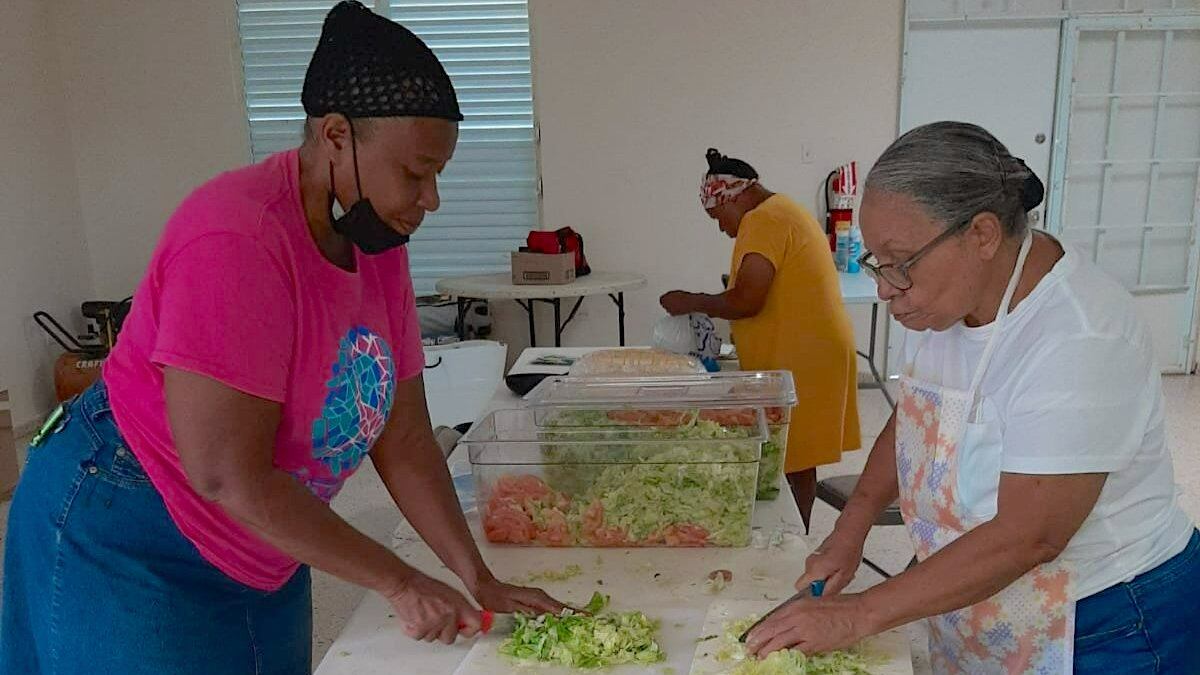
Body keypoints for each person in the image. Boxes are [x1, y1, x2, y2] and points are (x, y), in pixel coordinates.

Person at [0, 4, 563, 673]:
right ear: (335, 136)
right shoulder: (235, 238)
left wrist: (477, 574)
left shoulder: (376, 239)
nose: (431, 198)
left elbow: (407, 440)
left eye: (438, 173)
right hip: (132, 519)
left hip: (265, 531)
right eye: (415, 173)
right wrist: (400, 578)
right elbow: (224, 472)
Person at [744, 121, 1200, 674]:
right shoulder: (948, 303)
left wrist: (859, 613)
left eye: (901, 262)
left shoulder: (1078, 335)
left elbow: (1030, 536)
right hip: (984, 599)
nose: (886, 287)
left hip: (1108, 621)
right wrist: (851, 525)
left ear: (982, 235)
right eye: (876, 262)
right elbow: (920, 416)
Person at [660, 148, 860, 530]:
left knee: (793, 457)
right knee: (795, 459)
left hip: (805, 356)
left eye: (718, 217)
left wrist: (690, 301)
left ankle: (792, 544)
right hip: (810, 349)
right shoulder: (782, 210)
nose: (722, 229)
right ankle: (794, 537)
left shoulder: (763, 219)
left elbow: (748, 300)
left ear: (734, 197)